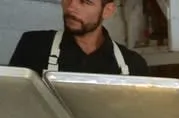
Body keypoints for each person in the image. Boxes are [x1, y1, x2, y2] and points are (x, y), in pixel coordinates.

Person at [8, 0, 149, 77]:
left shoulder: (133, 65)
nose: (71, 7)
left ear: (107, 11)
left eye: (85, 2)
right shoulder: (34, 46)